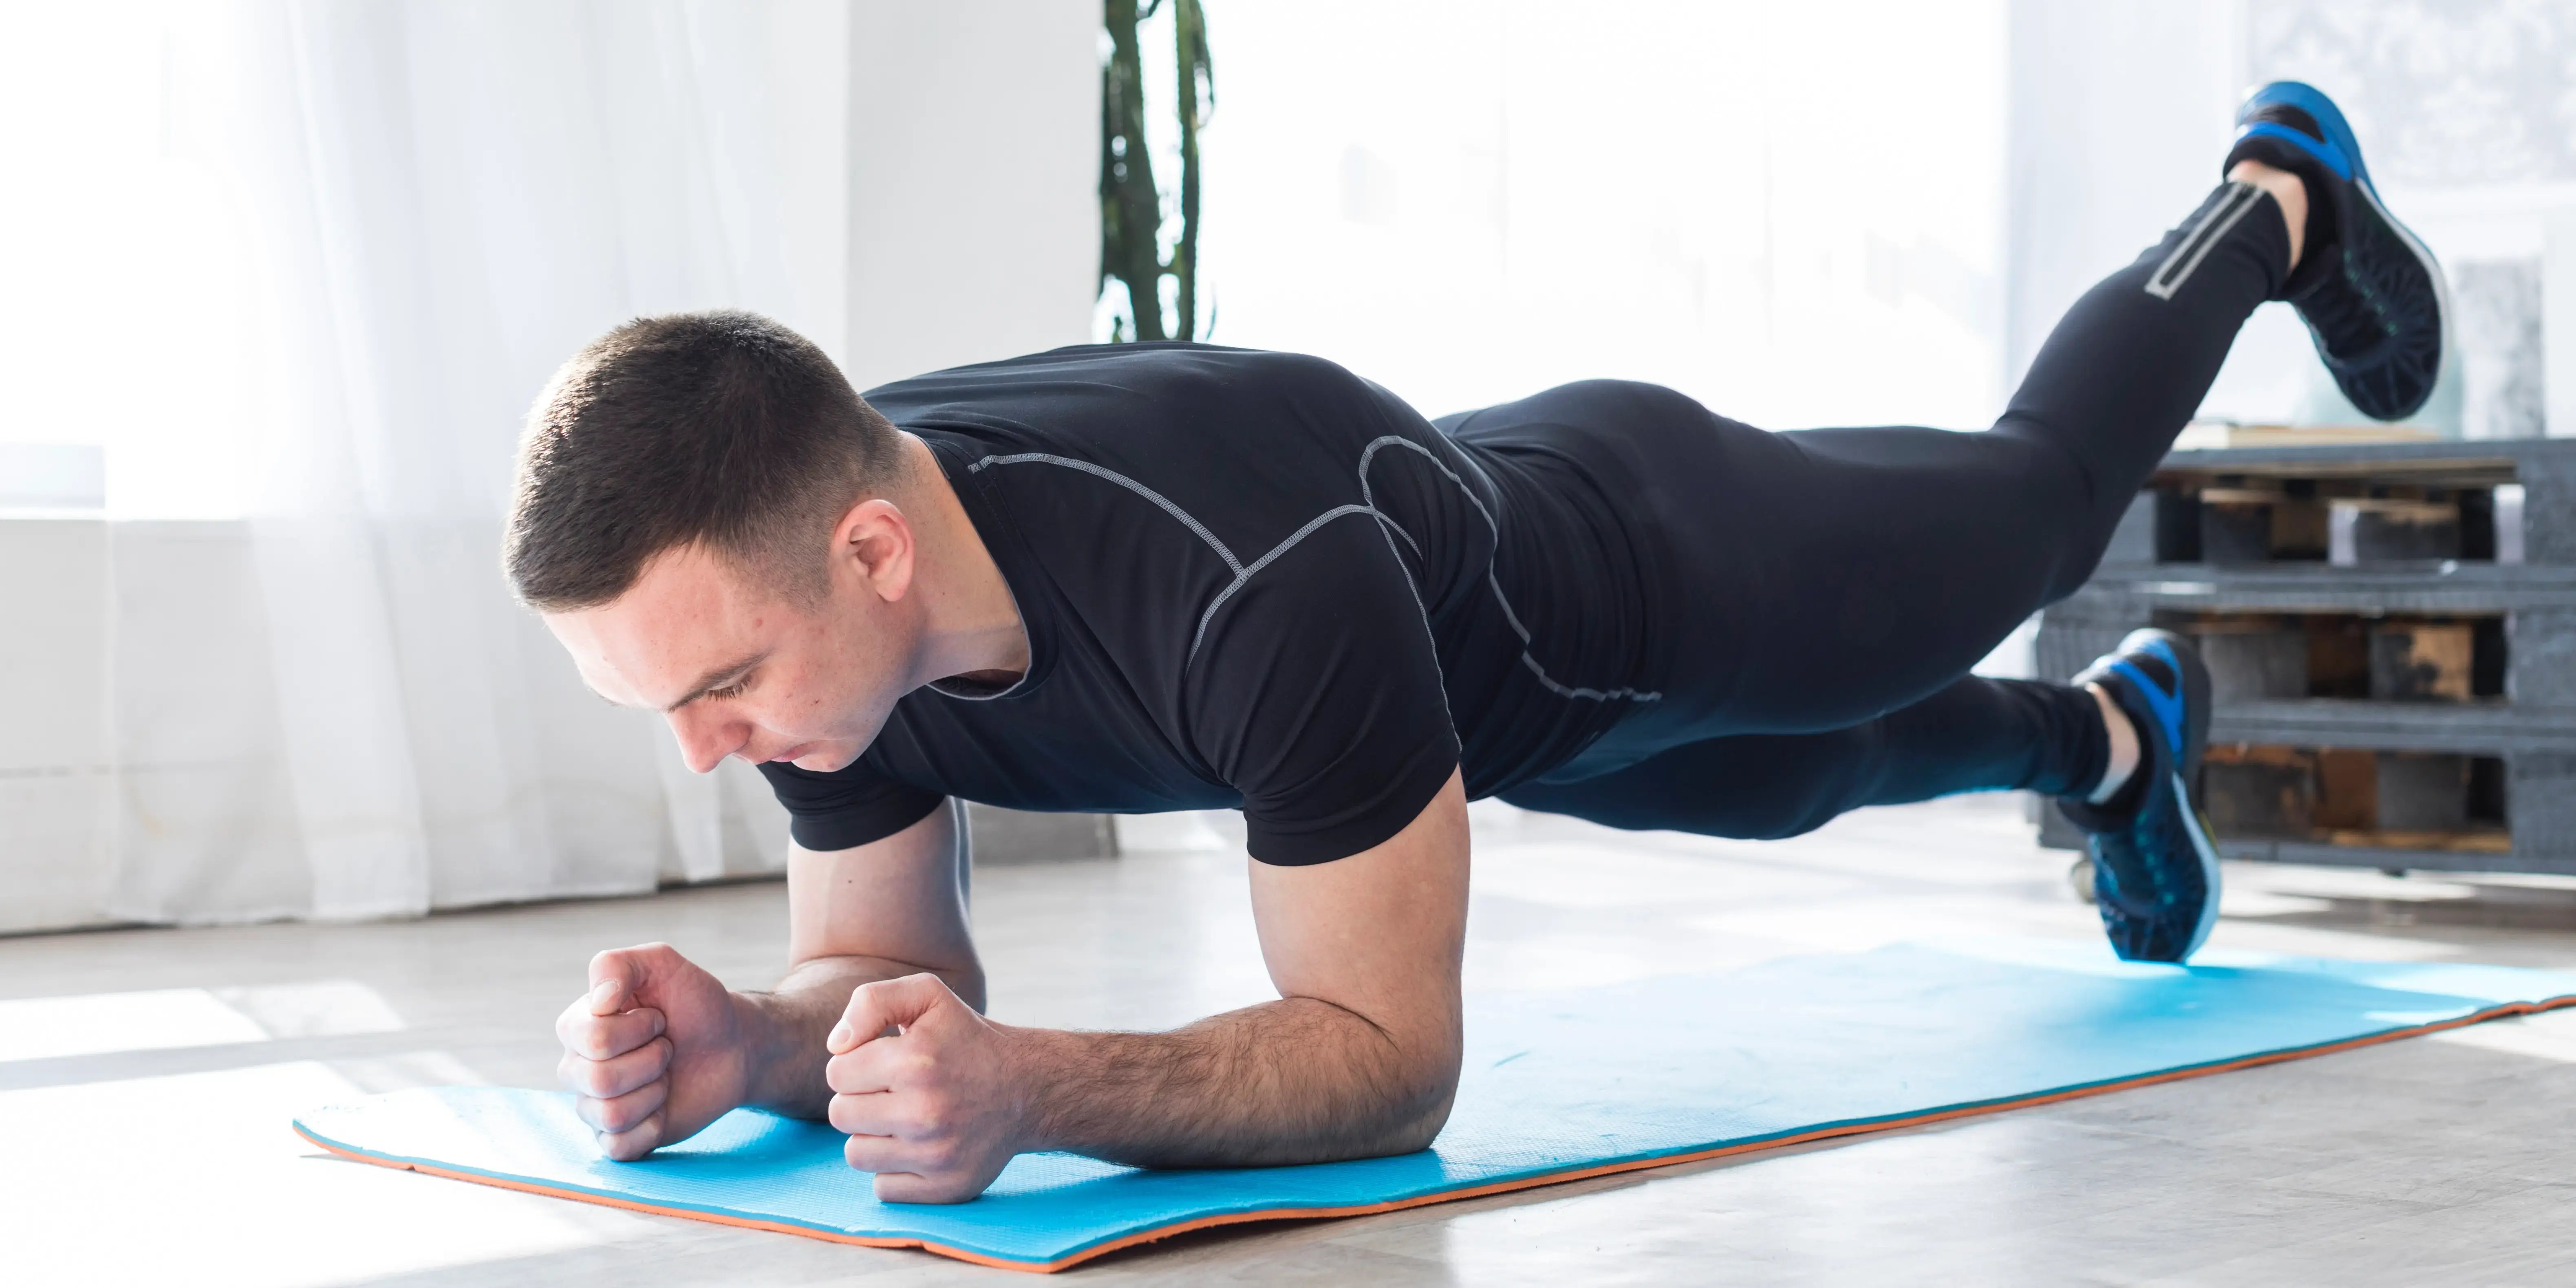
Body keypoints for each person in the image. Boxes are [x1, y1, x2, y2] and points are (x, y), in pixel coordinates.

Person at [510, 82, 2446, 1202]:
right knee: (1799, 778)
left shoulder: (1244, 580)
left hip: (1649, 558)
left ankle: (2271, 195)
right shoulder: (814, 604)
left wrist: (1025, 1086)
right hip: (1481, 678)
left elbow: (1383, 1062)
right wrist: (751, 1046)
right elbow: (878, 979)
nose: (706, 749)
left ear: (869, 554)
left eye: (714, 689)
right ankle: (2109, 742)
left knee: (2025, 510)